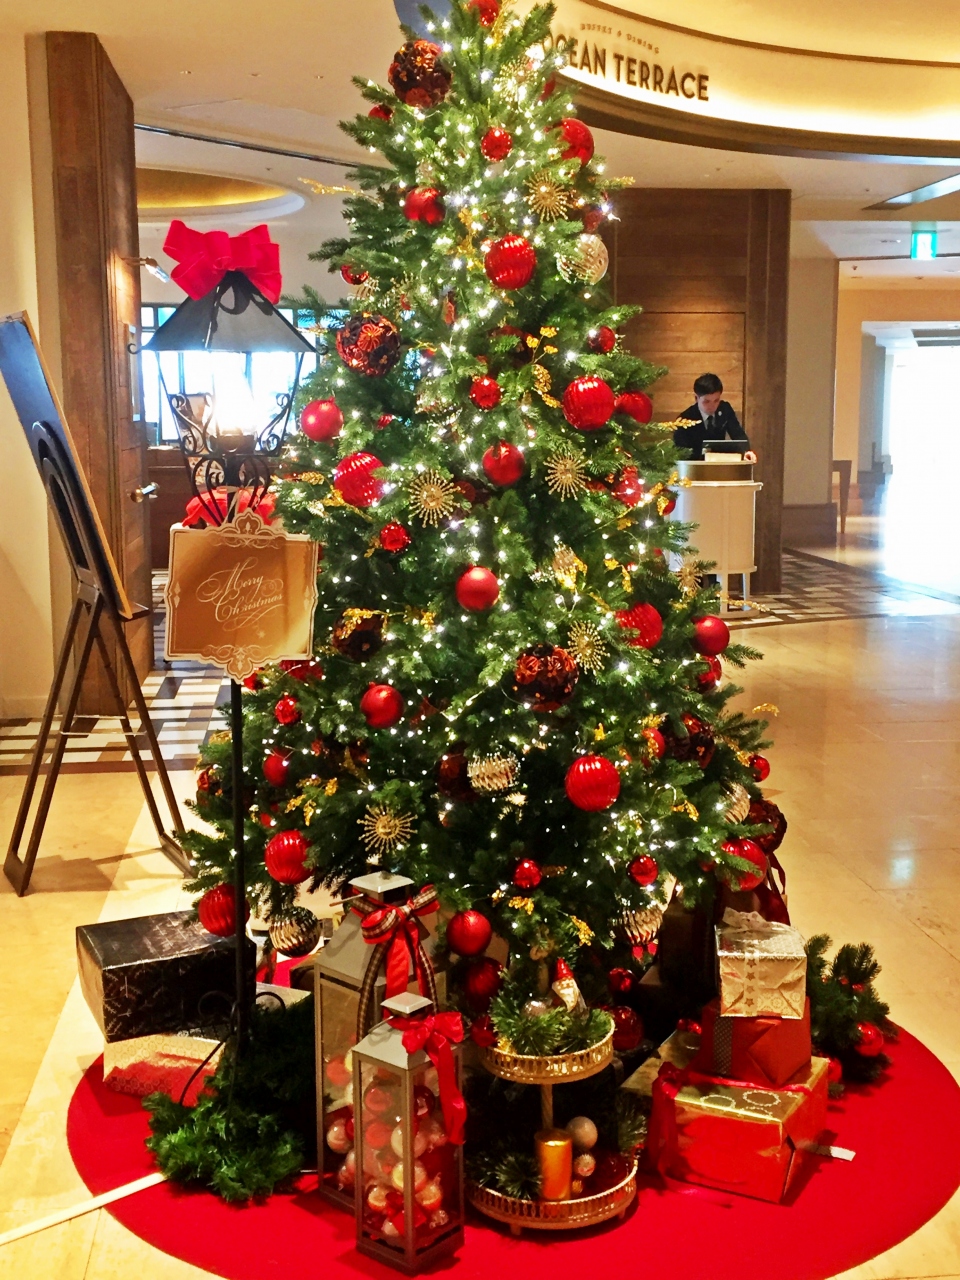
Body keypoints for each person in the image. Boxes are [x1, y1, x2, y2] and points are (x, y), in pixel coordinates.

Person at [673, 373, 756, 462]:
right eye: (706, 402)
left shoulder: (725, 409)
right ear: (696, 398)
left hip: (719, 463)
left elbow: (738, 434)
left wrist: (746, 451)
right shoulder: (684, 420)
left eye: (716, 400)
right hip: (696, 465)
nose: (712, 406)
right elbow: (681, 453)